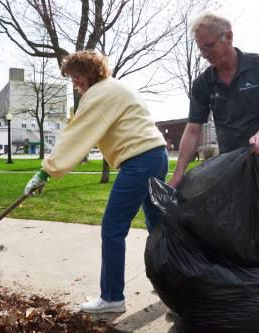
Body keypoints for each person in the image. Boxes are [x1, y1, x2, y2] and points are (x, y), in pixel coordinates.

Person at [24, 50, 168, 314]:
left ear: (90, 73)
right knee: (159, 227)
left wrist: (45, 172)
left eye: (77, 76)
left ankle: (112, 297)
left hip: (138, 160)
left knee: (113, 227)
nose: (75, 83)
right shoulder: (117, 87)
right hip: (157, 155)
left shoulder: (98, 94)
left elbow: (74, 136)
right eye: (72, 78)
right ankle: (175, 288)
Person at [169, 12, 259, 237]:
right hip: (232, 169)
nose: (204, 55)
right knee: (239, 231)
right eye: (200, 49)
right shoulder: (203, 84)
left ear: (228, 37)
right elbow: (193, 129)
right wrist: (179, 173)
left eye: (209, 47)